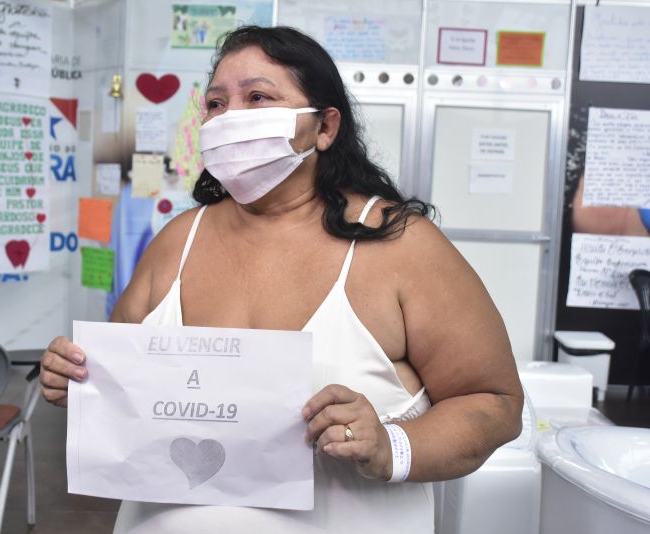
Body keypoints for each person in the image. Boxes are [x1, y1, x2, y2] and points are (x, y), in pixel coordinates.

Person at [41, 25, 523, 533]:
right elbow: (121, 387)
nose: (231, 118)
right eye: (216, 103)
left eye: (258, 97)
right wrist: (77, 380)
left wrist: (392, 445)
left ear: (325, 127)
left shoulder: (400, 246)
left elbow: (495, 403)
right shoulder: (175, 242)